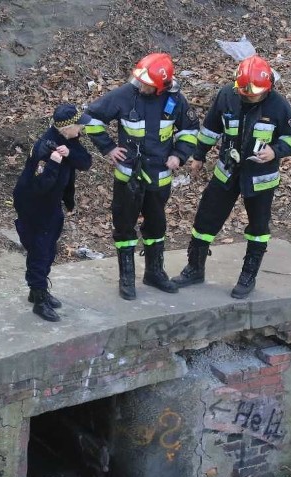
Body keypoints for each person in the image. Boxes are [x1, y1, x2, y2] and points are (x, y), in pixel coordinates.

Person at [172, 55, 291, 298]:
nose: (247, 95)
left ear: (268, 88)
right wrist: (199, 155)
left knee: (258, 227)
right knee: (205, 219)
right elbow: (211, 128)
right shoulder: (227, 95)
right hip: (227, 171)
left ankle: (248, 275)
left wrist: (275, 151)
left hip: (260, 177)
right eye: (243, 91)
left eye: (253, 93)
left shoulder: (278, 105)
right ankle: (194, 267)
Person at [84, 53, 199, 300]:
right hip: (129, 175)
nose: (141, 85)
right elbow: (91, 118)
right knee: (124, 225)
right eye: (140, 80)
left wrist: (179, 155)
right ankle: (127, 277)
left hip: (160, 175)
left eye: (147, 83)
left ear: (161, 86)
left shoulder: (175, 100)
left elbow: (190, 130)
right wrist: (108, 147)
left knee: (156, 224)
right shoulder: (124, 95)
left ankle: (154, 272)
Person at [13, 103, 92, 322]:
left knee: (48, 248)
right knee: (40, 250)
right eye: (78, 126)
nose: (81, 130)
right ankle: (39, 297)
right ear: (65, 128)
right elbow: (40, 186)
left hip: (52, 204)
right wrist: (55, 164)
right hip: (35, 205)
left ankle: (37, 290)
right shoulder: (43, 149)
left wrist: (70, 154)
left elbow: (86, 163)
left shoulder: (69, 140)